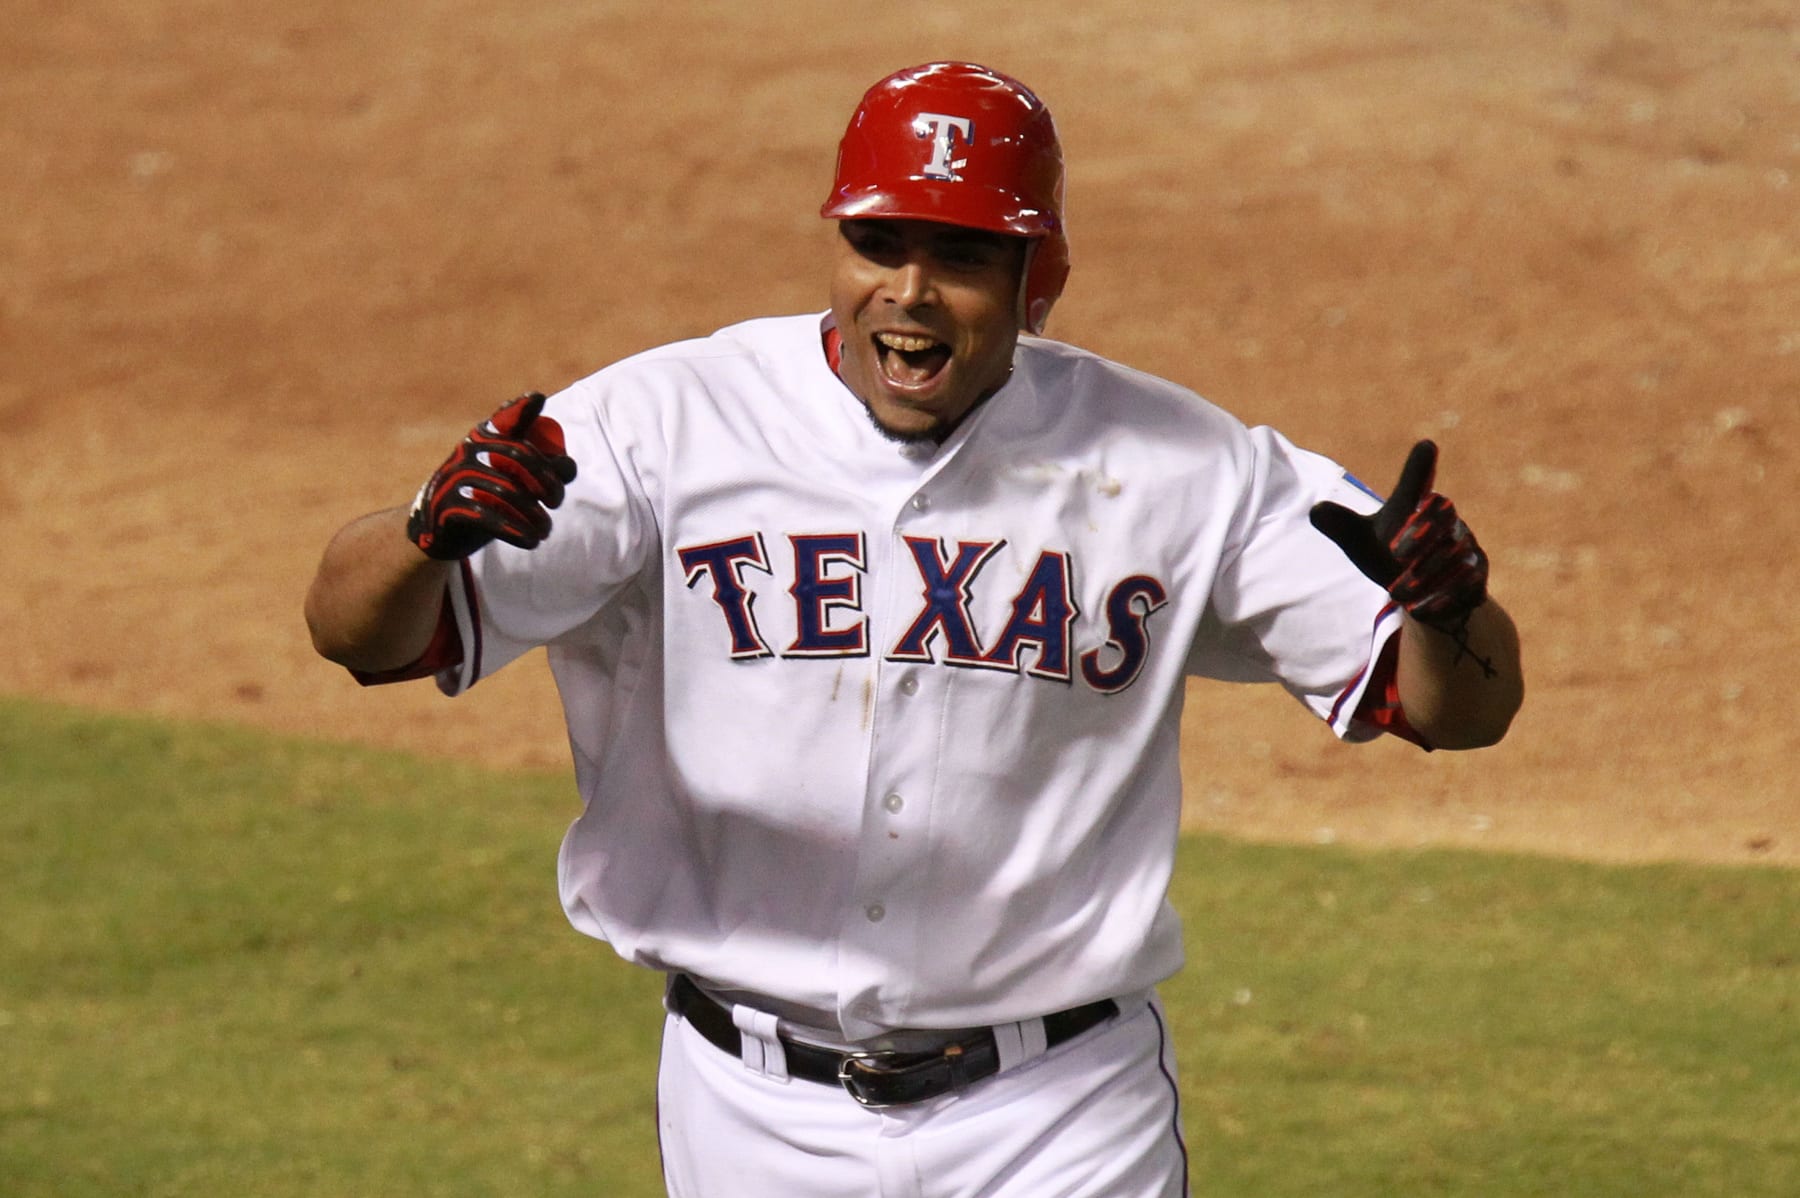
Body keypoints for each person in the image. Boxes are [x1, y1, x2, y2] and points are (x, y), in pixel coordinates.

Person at [305, 61, 1522, 1198]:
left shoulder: (1180, 464)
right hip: (750, 1113)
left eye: (963, 256)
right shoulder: (660, 427)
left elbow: (1452, 711)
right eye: (878, 244)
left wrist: (1448, 610)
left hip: (1058, 1117)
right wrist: (424, 533)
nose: (910, 292)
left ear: (1033, 278)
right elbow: (359, 632)